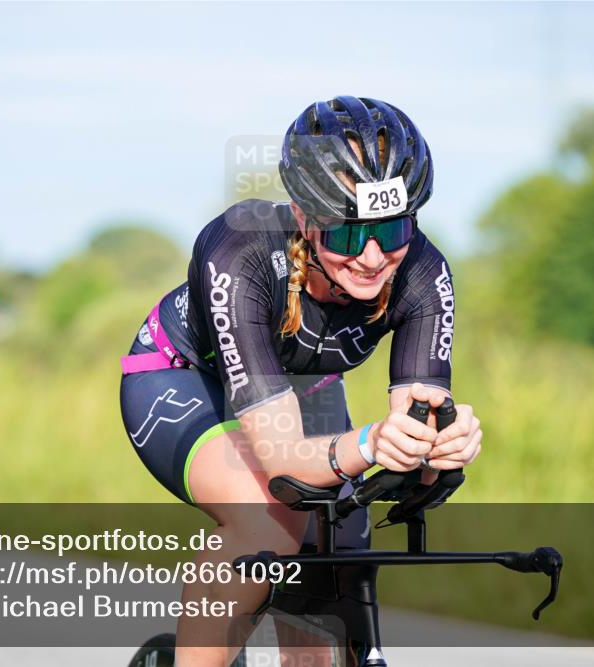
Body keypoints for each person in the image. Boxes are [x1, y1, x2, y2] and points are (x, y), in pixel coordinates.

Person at [120, 96, 483, 667]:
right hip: (185, 381)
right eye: (344, 235)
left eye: (391, 229)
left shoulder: (424, 271)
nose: (370, 256)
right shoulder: (240, 246)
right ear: (304, 217)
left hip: (305, 391)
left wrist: (440, 451)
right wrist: (367, 444)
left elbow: (419, 425)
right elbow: (288, 464)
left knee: (341, 551)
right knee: (270, 515)